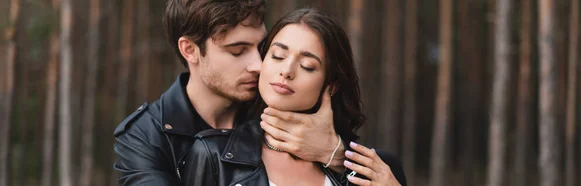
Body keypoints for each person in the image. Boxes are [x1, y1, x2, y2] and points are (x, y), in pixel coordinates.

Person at [112, 1, 349, 185]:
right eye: (238, 51)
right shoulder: (144, 136)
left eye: (262, 48)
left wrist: (335, 154)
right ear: (190, 50)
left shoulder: (276, 97)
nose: (258, 64)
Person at [182, 8, 407, 186]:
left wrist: (336, 156)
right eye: (278, 56)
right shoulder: (213, 154)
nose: (287, 70)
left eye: (307, 66)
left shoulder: (374, 170)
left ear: (332, 85)